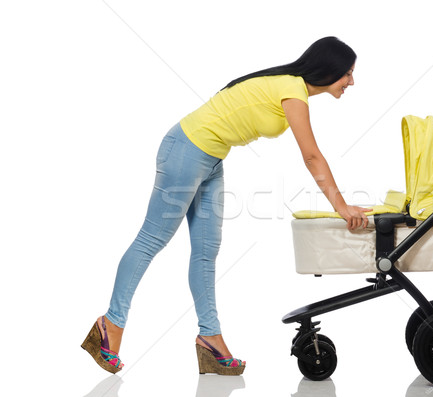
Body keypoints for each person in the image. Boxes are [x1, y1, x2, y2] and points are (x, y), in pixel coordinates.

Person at [81, 36, 371, 376]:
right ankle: (110, 325)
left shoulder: (292, 88)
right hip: (187, 150)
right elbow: (311, 156)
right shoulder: (292, 90)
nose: (351, 82)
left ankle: (210, 339)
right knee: (152, 240)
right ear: (329, 69)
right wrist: (341, 206)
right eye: (347, 73)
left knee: (206, 251)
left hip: (211, 158)